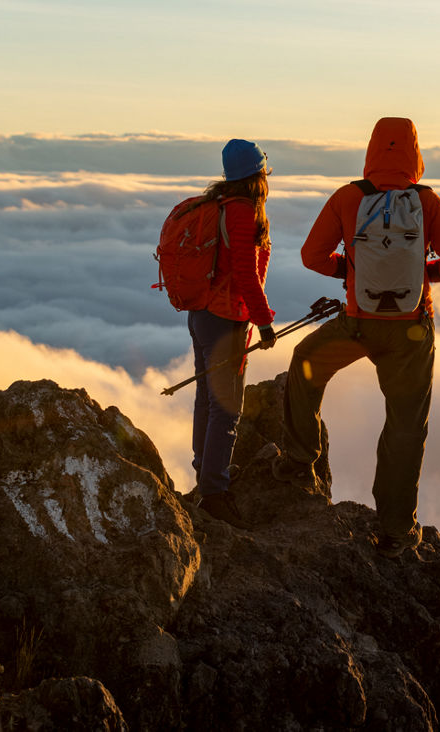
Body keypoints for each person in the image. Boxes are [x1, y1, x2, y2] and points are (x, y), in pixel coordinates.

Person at [270, 117, 440, 557]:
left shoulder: (349, 197)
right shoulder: (428, 202)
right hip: (412, 334)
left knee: (304, 365)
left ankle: (300, 462)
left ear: (371, 151)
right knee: (404, 427)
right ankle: (397, 530)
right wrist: (423, 275)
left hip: (357, 326)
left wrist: (350, 271)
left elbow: (311, 256)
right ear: (416, 155)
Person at [190, 139, 277, 529]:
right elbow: (245, 272)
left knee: (208, 399)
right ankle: (214, 492)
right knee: (226, 408)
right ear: (257, 175)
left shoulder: (218, 204)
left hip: (202, 314)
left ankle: (207, 471)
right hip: (225, 320)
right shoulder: (242, 213)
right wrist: (263, 321)